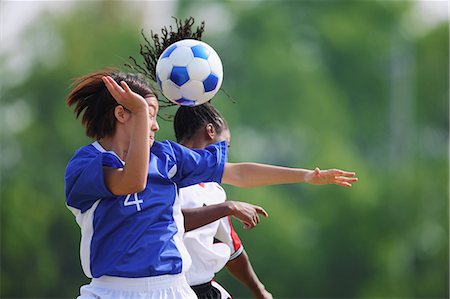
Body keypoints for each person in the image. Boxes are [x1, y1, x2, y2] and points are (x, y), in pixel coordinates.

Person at [65, 69, 358, 299]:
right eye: (150, 115)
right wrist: (142, 112)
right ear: (121, 114)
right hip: (114, 292)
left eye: (151, 116)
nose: (154, 125)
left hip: (173, 288)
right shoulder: (85, 166)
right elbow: (132, 181)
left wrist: (307, 175)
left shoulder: (166, 157)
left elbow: (239, 174)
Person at [172, 103, 358, 299]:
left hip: (205, 290)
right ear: (210, 131)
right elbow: (169, 221)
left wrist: (260, 291)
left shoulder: (212, 189)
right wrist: (228, 208)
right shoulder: (164, 173)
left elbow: (242, 176)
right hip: (168, 290)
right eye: (225, 145)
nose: (225, 154)